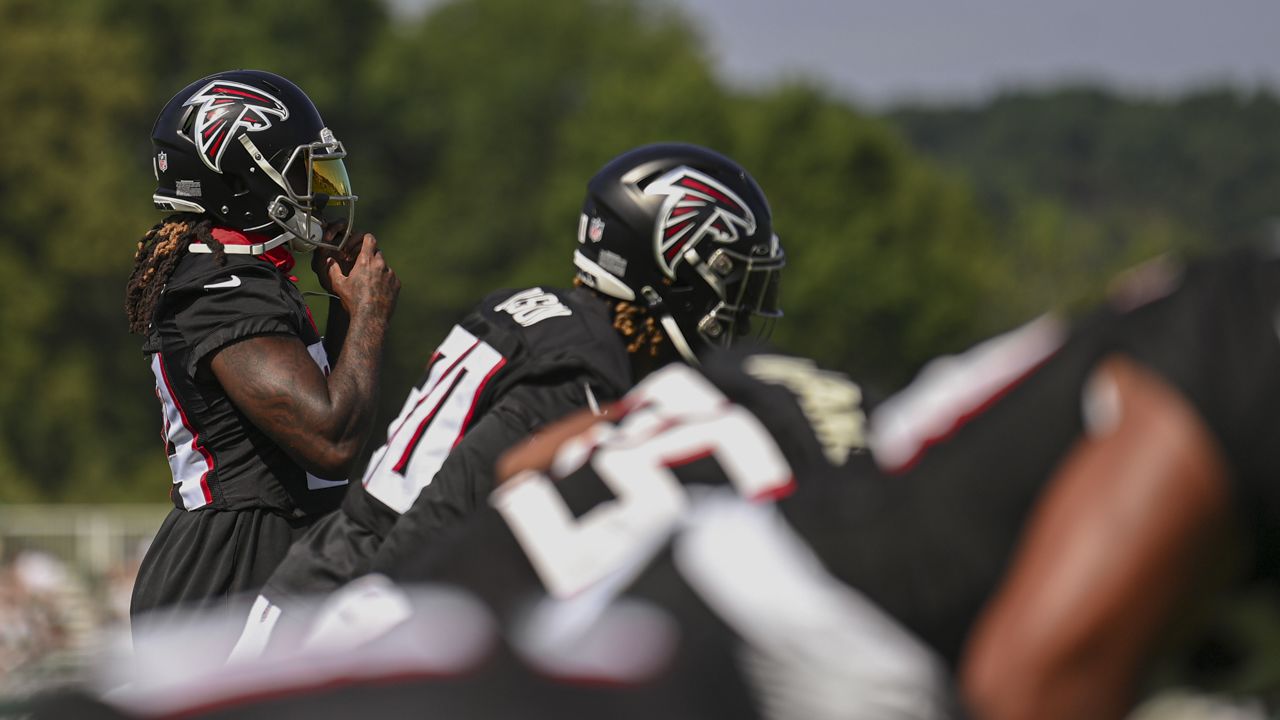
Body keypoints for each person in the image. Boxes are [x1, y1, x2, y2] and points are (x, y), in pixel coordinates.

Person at [230, 142, 787, 654]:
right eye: (730, 285)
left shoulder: (546, 318)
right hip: (352, 607)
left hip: (341, 576)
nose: (738, 313)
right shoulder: (583, 367)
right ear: (667, 266)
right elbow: (452, 503)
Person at [124, 69, 400, 621]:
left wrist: (345, 314)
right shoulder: (223, 290)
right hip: (228, 573)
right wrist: (367, 314)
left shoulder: (247, 277)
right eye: (301, 171)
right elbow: (329, 440)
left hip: (264, 553)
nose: (318, 190)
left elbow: (326, 426)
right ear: (242, 179)